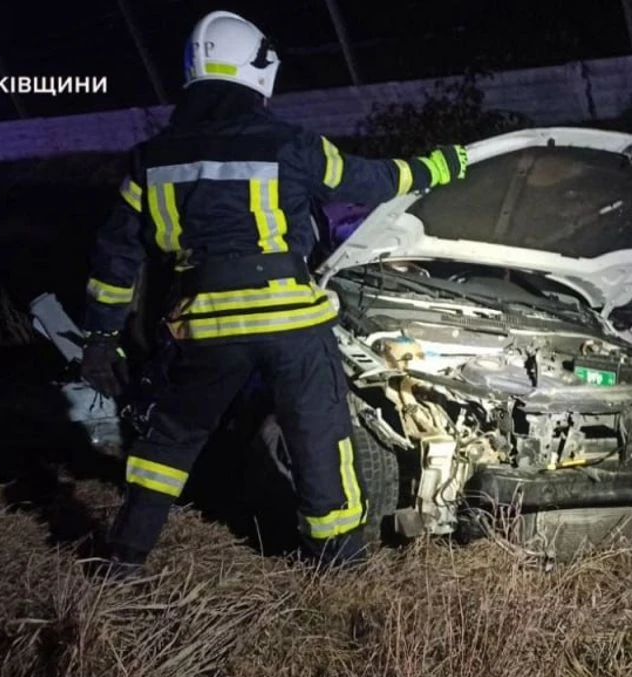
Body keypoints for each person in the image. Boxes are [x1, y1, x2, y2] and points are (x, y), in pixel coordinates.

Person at [78, 9, 468, 578]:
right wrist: (442, 164)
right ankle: (340, 565)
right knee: (319, 440)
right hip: (289, 323)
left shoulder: (151, 159)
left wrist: (100, 337)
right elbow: (375, 181)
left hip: (204, 326)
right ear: (257, 73)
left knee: (169, 443)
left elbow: (117, 257)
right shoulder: (291, 143)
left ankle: (126, 558)